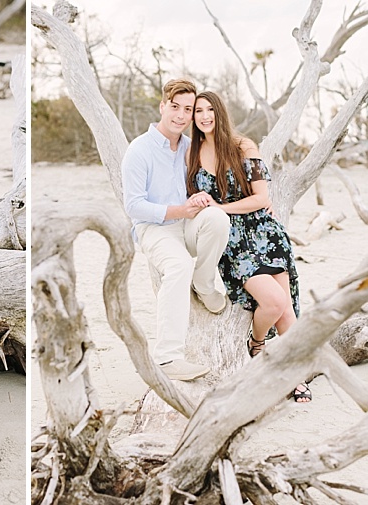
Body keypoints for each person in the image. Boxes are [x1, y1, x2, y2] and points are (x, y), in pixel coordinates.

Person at [186, 90, 310, 403]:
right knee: (272, 302)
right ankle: (257, 345)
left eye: (209, 110)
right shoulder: (191, 154)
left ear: (219, 113)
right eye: (198, 111)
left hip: (263, 233)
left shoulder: (243, 146)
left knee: (286, 315)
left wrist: (218, 207)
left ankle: (292, 375)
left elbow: (262, 198)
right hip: (231, 243)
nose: (204, 116)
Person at [122, 79, 231, 382]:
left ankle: (205, 283)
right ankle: (168, 357)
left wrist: (195, 200)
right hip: (154, 228)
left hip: (187, 223)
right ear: (162, 106)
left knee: (219, 219)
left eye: (188, 109)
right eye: (175, 107)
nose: (181, 116)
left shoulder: (189, 147)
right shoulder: (139, 150)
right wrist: (179, 210)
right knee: (179, 265)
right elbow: (133, 206)